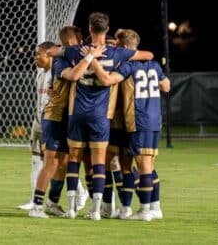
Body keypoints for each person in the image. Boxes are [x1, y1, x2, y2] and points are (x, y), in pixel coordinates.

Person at [60, 12, 154, 220]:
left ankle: (72, 209)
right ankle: (96, 211)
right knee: (100, 161)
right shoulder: (116, 53)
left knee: (74, 159)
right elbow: (147, 55)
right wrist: (120, 51)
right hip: (102, 115)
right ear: (107, 29)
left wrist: (84, 54)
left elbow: (52, 51)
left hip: (77, 112)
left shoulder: (77, 51)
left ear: (90, 29)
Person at [91, 29, 170, 221]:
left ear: (125, 47)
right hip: (154, 119)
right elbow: (166, 86)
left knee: (142, 166)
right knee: (145, 164)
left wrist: (91, 60)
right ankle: (152, 207)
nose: (115, 48)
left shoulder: (128, 66)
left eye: (118, 46)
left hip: (137, 120)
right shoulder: (154, 64)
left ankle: (144, 211)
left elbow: (108, 80)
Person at [29, 28, 107, 218]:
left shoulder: (68, 57)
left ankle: (52, 203)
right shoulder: (60, 60)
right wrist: (90, 57)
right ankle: (36, 207)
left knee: (63, 163)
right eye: (74, 42)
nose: (78, 45)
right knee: (51, 163)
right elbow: (73, 76)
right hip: (55, 117)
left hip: (67, 118)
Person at [18, 41, 54, 210]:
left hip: (52, 123)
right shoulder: (40, 74)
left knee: (55, 162)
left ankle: (80, 192)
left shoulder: (57, 74)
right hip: (38, 122)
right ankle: (34, 198)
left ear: (49, 55)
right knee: (35, 160)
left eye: (38, 54)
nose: (35, 57)